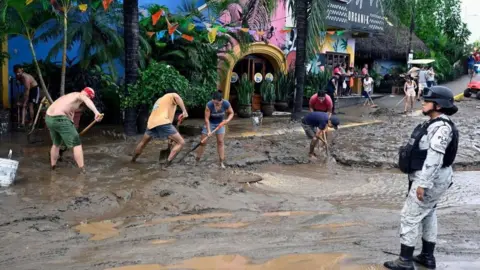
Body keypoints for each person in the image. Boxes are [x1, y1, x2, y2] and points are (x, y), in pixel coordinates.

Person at [385, 86, 459, 270]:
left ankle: (405, 261)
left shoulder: (441, 128)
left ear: (439, 106)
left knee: (409, 217)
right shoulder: (434, 124)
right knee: (428, 213)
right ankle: (427, 256)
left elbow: (435, 158)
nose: (423, 102)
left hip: (430, 179)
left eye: (427, 101)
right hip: (432, 177)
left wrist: (423, 184)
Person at [46, 87, 103, 172]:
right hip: (59, 118)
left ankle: (53, 167)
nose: (87, 98)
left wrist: (72, 130)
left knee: (56, 143)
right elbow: (85, 99)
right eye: (88, 96)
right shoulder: (79, 95)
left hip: (49, 118)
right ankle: (82, 171)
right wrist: (96, 112)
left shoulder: (70, 96)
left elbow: (70, 117)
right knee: (77, 143)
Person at [132, 89, 188, 167]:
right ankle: (166, 165)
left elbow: (169, 125)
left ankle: (133, 160)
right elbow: (176, 96)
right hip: (162, 122)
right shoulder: (171, 95)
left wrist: (170, 141)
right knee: (181, 142)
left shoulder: (159, 101)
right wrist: (184, 111)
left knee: (142, 143)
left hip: (151, 123)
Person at [195, 91, 234, 169]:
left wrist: (227, 121)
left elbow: (231, 113)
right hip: (210, 123)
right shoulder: (209, 105)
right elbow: (206, 119)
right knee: (203, 142)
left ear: (221, 101)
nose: (216, 105)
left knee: (220, 142)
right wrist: (209, 131)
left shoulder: (226, 103)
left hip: (220, 123)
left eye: (217, 104)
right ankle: (197, 160)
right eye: (214, 103)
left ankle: (221, 162)